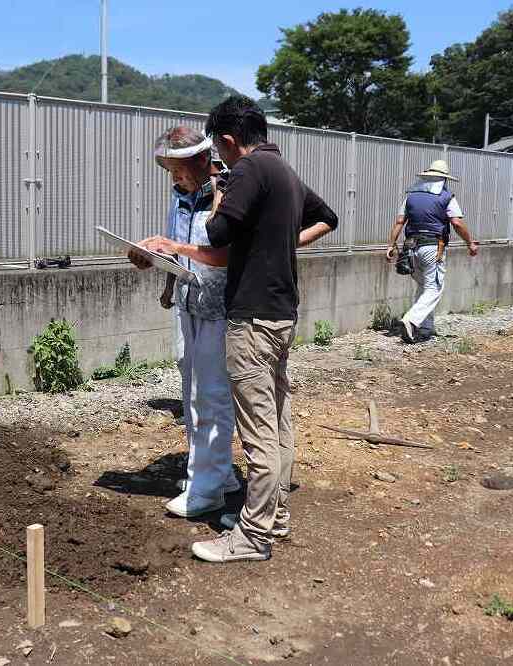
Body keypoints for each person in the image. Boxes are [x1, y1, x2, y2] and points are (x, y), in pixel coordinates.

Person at [140, 95, 338, 563]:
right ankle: (275, 516)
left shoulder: (246, 173)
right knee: (276, 420)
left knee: (257, 430)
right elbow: (325, 216)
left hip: (249, 314)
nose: (217, 162)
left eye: (217, 150)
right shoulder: (283, 170)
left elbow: (218, 237)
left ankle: (253, 534)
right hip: (279, 311)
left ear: (226, 142)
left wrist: (184, 241)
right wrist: (278, 243)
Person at [128, 125, 238, 518]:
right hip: (188, 303)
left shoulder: (225, 193)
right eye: (168, 169)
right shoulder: (181, 198)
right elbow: (178, 249)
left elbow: (220, 250)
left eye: (178, 168)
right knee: (190, 388)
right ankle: (212, 475)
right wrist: (162, 275)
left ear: (200, 161)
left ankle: (208, 486)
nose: (173, 177)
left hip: (219, 306)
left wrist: (173, 247)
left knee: (211, 395)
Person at [385, 160, 479, 343]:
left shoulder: (410, 197)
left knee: (423, 286)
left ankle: (425, 328)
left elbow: (399, 222)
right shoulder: (446, 197)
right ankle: (411, 320)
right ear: (444, 179)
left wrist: (390, 245)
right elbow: (457, 222)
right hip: (433, 247)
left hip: (410, 248)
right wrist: (470, 243)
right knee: (434, 288)